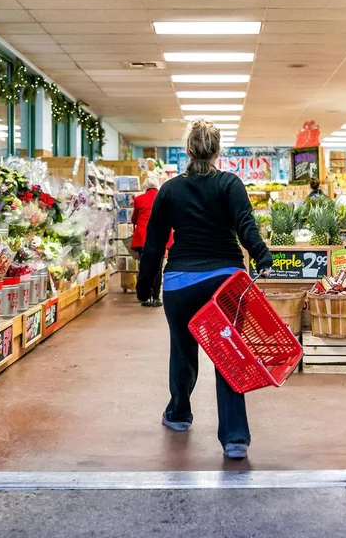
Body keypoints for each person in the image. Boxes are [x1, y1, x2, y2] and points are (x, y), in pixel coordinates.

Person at [136, 118, 272, 460]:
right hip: (225, 282)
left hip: (181, 282)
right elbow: (246, 226)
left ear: (187, 150)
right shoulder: (230, 184)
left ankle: (179, 414)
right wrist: (263, 257)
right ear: (217, 151)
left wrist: (144, 287)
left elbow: (153, 244)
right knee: (229, 355)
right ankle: (235, 438)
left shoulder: (169, 190)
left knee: (182, 350)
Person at [131, 176, 166, 307]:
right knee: (158, 267)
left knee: (144, 267)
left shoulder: (139, 199)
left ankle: (144, 296)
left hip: (142, 238)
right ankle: (156, 297)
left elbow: (134, 219)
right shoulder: (162, 197)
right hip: (159, 237)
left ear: (145, 186)